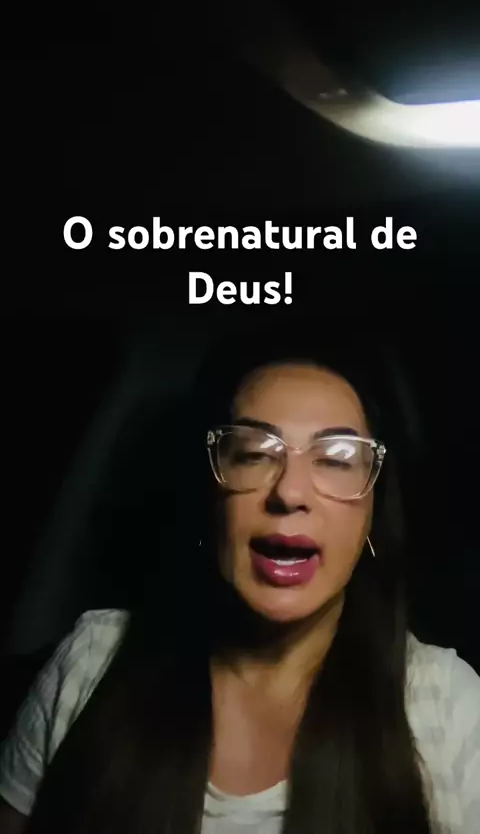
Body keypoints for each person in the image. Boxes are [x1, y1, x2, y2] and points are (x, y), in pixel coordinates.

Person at [0, 327, 478, 834]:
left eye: (336, 459)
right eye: (253, 454)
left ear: (373, 512)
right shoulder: (92, 660)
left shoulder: (445, 704)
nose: (289, 492)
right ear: (209, 496)